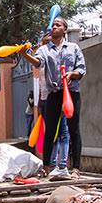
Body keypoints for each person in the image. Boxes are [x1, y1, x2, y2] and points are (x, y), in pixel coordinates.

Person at [21, 15, 85, 176]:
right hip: (54, 93)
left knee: (74, 129)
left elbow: (81, 69)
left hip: (71, 92)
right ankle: (47, 167)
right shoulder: (44, 49)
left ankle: (76, 168)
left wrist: (72, 74)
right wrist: (25, 55)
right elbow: (38, 63)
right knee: (50, 131)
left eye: (58, 25)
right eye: (53, 25)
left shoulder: (73, 47)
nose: (54, 27)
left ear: (65, 29)